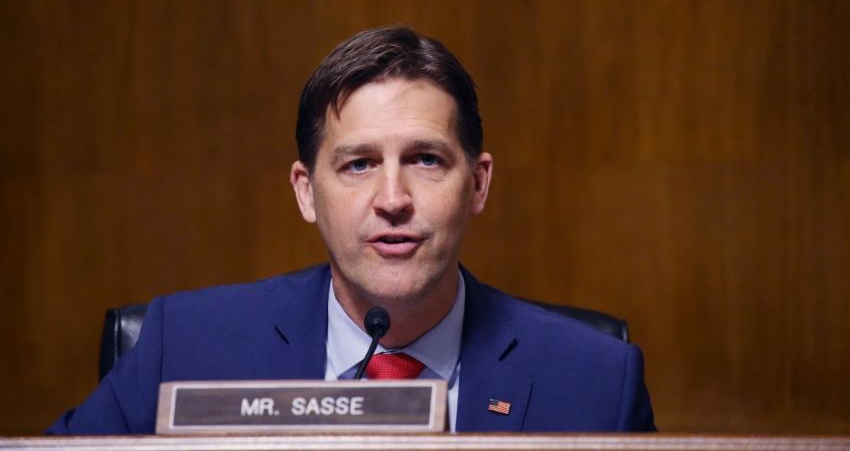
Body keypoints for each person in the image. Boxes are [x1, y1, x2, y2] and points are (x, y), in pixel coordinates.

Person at [48, 26, 655, 434]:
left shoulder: (598, 383)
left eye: (426, 159)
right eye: (358, 164)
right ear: (306, 191)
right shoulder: (181, 348)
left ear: (478, 183)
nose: (392, 199)